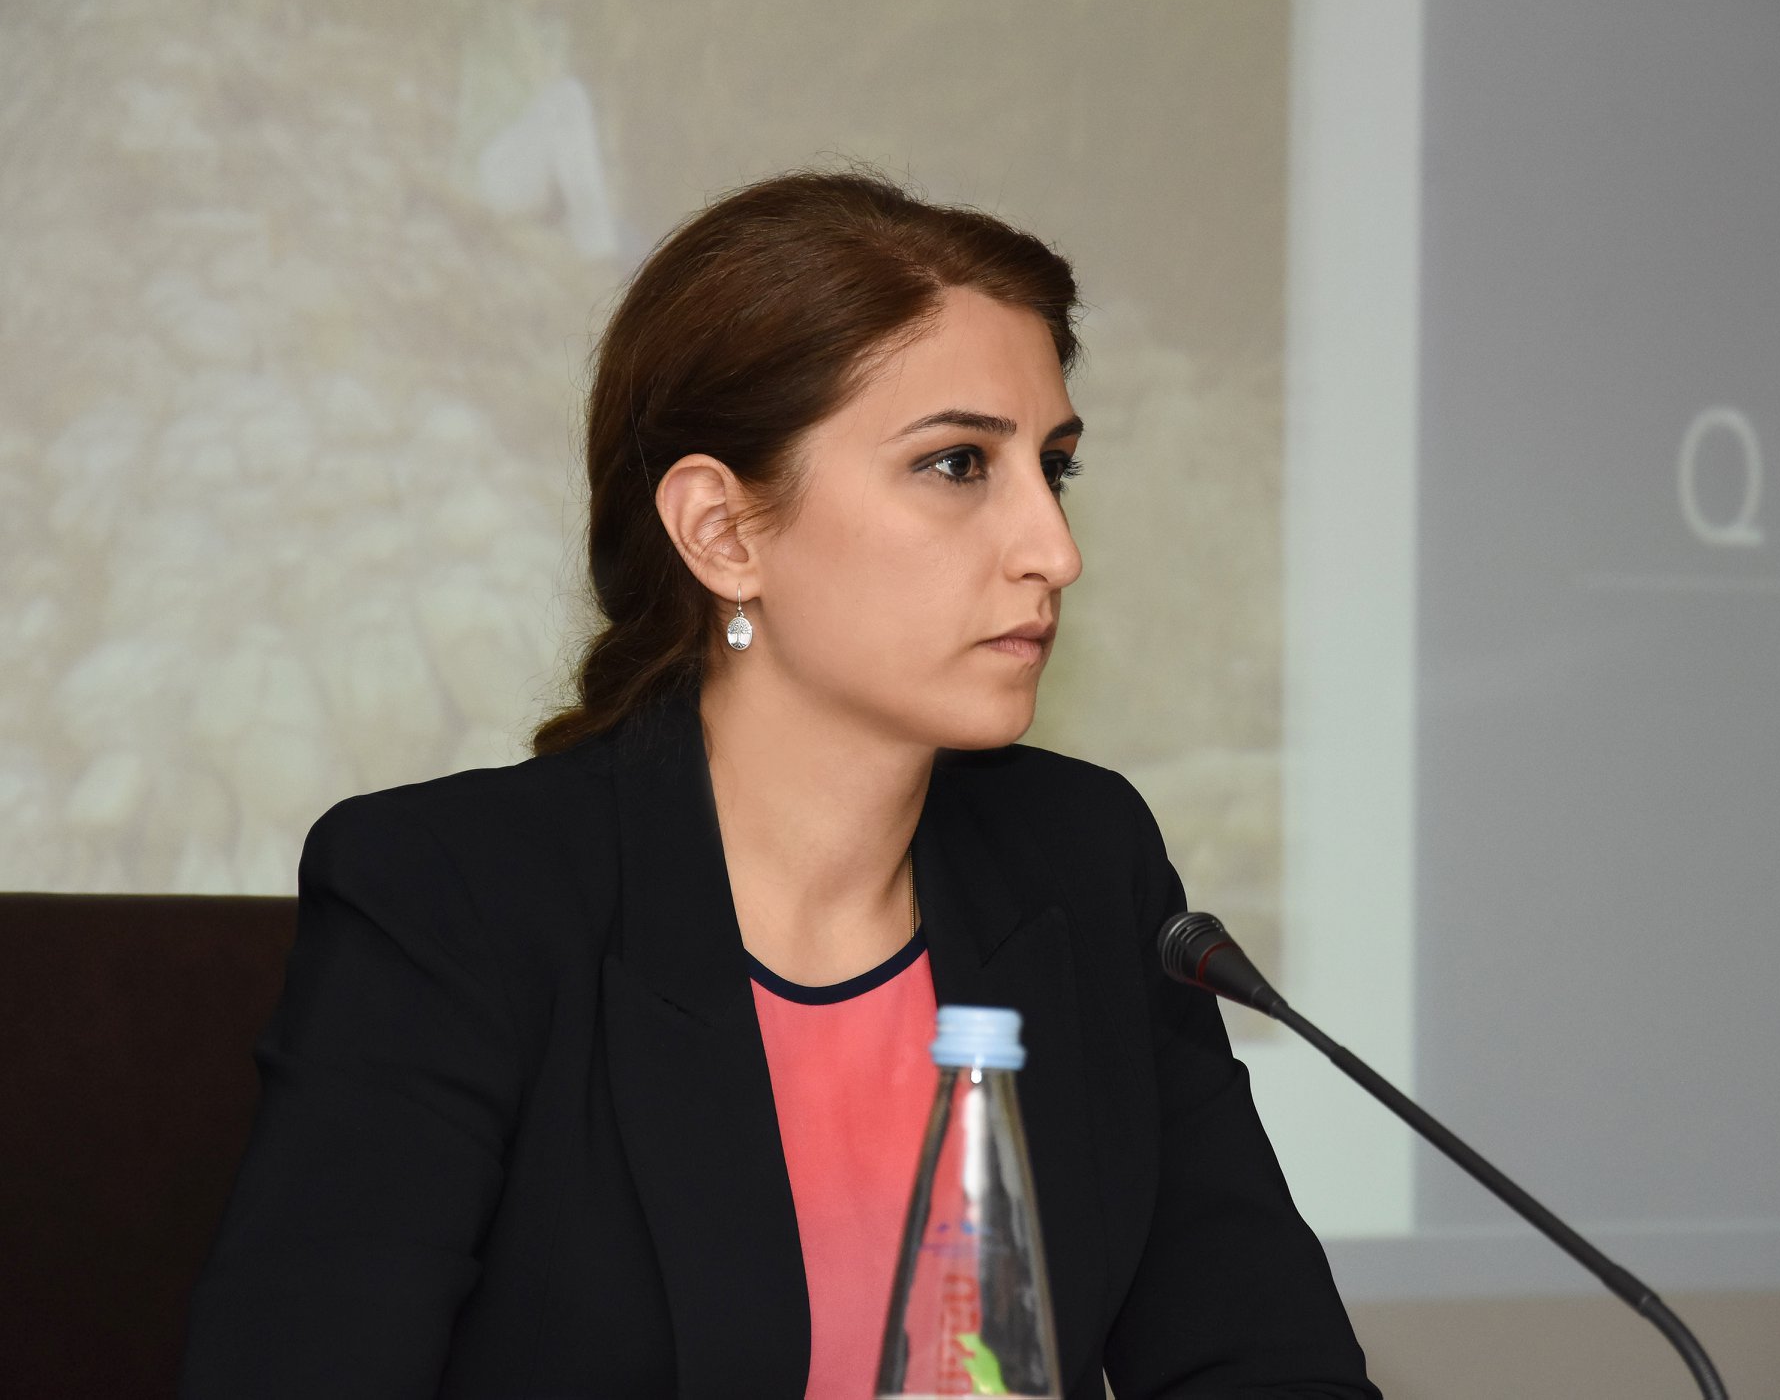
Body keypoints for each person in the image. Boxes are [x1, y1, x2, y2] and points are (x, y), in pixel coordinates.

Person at [179, 168, 1380, 1399]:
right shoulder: (458, 898)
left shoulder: (1082, 863)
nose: (1053, 550)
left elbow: (1266, 1369)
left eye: (1052, 468)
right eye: (957, 464)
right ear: (722, 532)